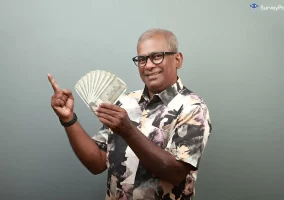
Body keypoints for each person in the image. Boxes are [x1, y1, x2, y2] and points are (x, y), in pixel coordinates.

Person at [48, 28, 212, 200]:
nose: (148, 65)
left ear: (177, 59)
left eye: (157, 56)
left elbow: (175, 173)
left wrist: (128, 130)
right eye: (142, 59)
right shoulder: (124, 103)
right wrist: (68, 119)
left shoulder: (193, 107)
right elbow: (96, 163)